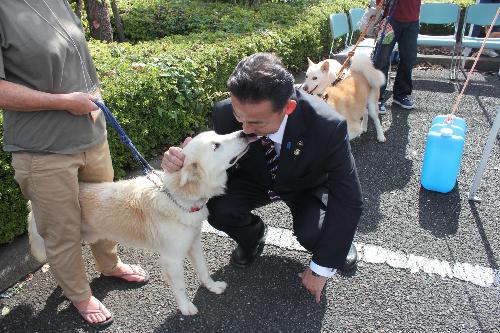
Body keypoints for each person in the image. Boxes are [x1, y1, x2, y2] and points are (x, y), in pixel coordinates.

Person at [162, 53, 362, 303]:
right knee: (217, 209)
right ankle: (253, 235)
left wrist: (321, 267)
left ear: (288, 108)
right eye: (239, 117)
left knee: (317, 234)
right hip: (254, 180)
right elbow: (207, 161)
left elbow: (349, 198)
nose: (244, 129)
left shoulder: (327, 125)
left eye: (256, 122)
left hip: (306, 185)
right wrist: (179, 162)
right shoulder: (224, 113)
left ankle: (335, 245)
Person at [0, 1, 148, 327]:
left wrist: (93, 94)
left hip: (91, 135)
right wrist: (64, 102)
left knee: (107, 210)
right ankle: (79, 293)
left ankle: (109, 265)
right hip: (42, 149)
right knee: (62, 230)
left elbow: (76, 59)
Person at [373, 0, 421, 114]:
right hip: (390, 19)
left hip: (412, 20)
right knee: (381, 59)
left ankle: (400, 95)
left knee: (408, 58)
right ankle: (376, 98)